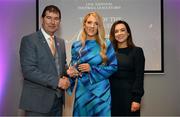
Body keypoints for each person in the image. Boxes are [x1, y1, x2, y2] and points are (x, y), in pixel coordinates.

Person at [19, 5, 70, 116]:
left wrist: (69, 71)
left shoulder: (60, 42)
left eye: (56, 19)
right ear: (42, 19)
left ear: (59, 22)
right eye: (49, 17)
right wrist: (57, 81)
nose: (52, 22)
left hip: (58, 102)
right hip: (37, 104)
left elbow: (59, 66)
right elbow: (29, 71)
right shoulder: (29, 40)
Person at [66, 12, 117, 116]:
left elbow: (113, 67)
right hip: (82, 92)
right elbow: (74, 68)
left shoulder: (106, 44)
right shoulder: (76, 46)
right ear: (84, 24)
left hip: (101, 93)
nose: (92, 26)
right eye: (89, 22)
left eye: (96, 23)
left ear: (99, 26)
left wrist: (92, 69)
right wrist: (71, 73)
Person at [109, 20, 145, 116]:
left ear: (128, 33)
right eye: (116, 31)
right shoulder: (109, 54)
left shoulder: (137, 51)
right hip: (111, 98)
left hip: (129, 99)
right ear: (113, 35)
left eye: (122, 30)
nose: (119, 33)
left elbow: (139, 77)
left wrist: (137, 99)